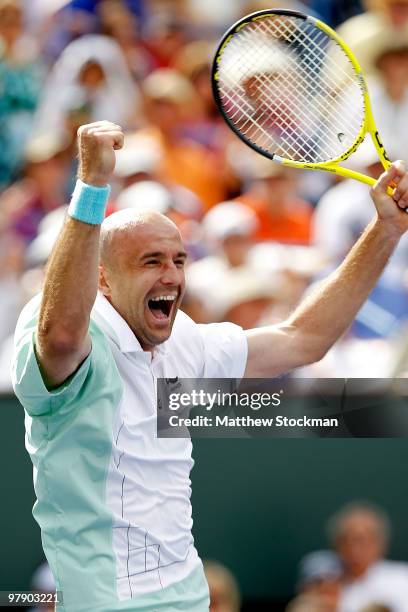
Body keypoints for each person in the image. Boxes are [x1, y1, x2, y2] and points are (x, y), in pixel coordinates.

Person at [11, 121, 408, 611]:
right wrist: (92, 183)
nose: (172, 275)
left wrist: (386, 229)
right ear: (103, 281)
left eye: (179, 260)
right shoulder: (70, 331)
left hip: (189, 596)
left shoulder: (186, 341)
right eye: (151, 261)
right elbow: (61, 333)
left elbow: (304, 338)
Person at [328, 502, 408, 611]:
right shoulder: (325, 583)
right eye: (346, 541)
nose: (354, 549)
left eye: (362, 541)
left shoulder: (402, 578)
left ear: (380, 543)